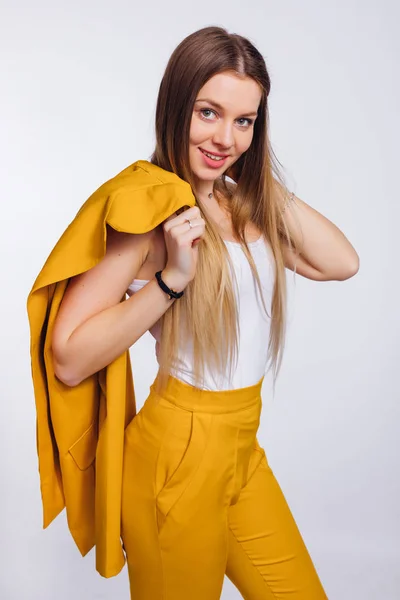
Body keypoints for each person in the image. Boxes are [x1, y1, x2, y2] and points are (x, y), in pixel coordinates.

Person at [32, 26, 360, 600]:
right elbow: (67, 358)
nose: (224, 137)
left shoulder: (242, 203)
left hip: (242, 450)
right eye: (209, 112)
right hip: (175, 456)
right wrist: (169, 282)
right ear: (177, 104)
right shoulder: (150, 209)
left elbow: (341, 262)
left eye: (244, 121)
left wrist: (254, 174)